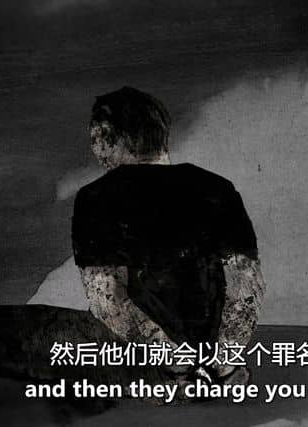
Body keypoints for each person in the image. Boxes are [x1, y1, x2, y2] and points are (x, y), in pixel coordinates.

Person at [73, 86, 266, 385]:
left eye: (95, 137)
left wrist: (174, 361)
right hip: (218, 363)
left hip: (153, 367)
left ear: (105, 135)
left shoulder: (94, 198)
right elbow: (247, 284)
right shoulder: (218, 188)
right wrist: (224, 359)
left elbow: (105, 297)